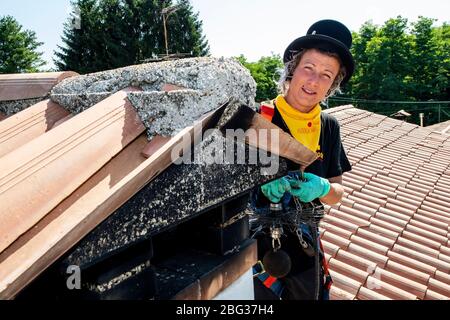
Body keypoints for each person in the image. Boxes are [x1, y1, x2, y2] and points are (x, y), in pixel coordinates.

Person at [251, 19, 353, 300]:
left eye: (326, 75)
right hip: (257, 248)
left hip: (304, 245)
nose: (313, 81)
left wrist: (321, 188)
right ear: (292, 70)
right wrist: (259, 188)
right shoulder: (260, 118)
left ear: (333, 84)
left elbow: (337, 192)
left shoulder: (329, 126)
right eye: (308, 68)